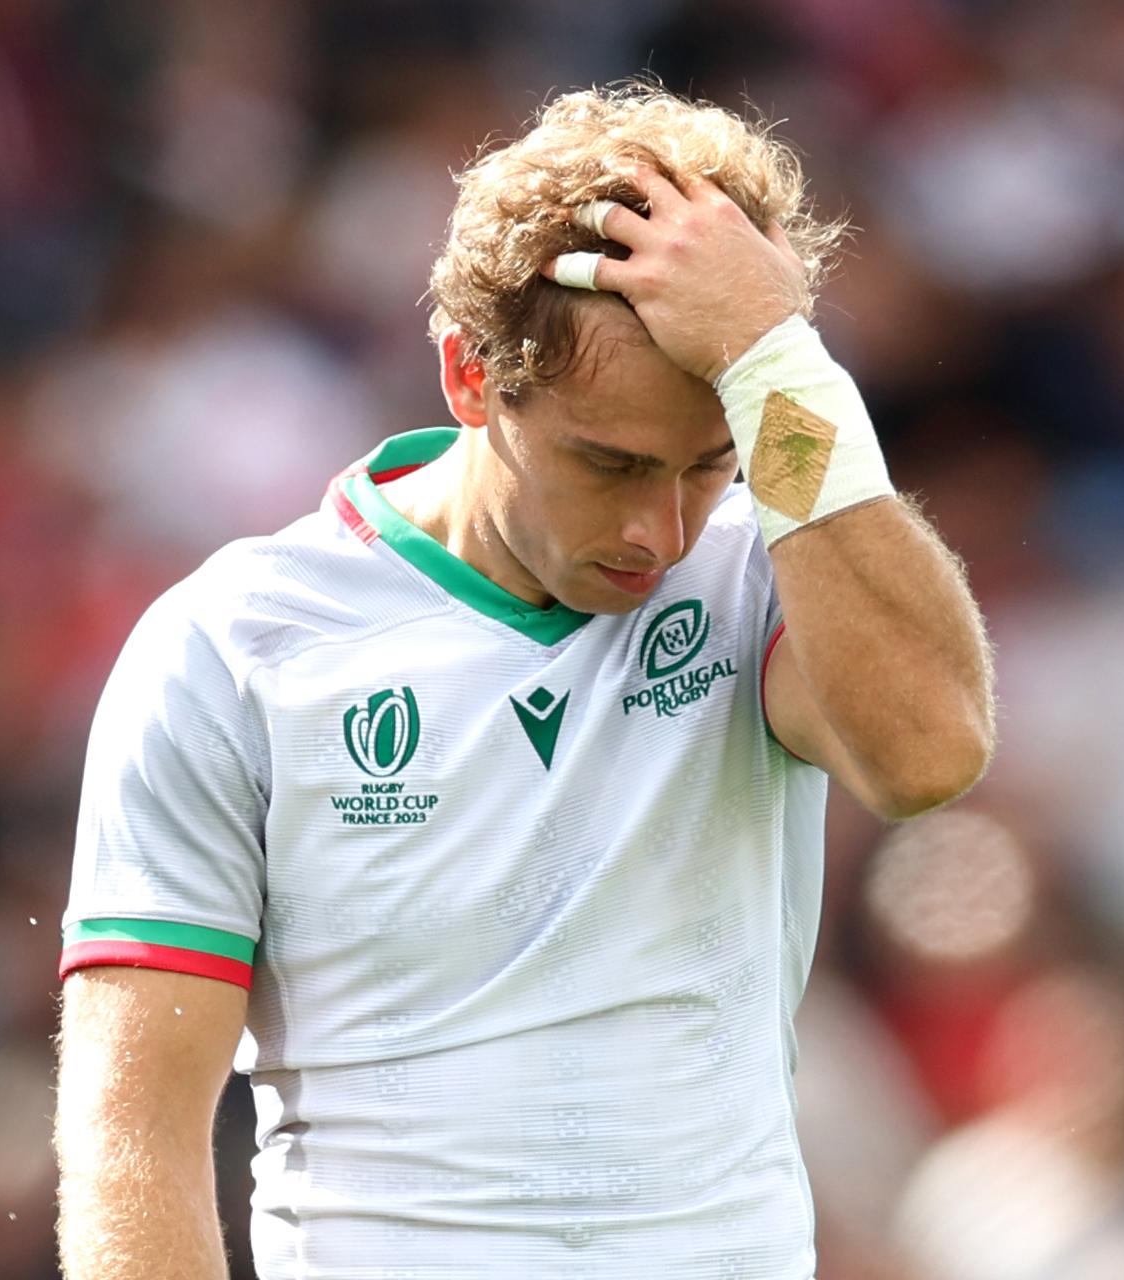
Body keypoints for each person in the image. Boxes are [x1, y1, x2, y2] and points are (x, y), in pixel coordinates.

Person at [53, 86, 995, 1280]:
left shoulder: (771, 571)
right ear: (469, 375)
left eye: (711, 464)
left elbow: (931, 750)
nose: (662, 529)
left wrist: (778, 361)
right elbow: (134, 1135)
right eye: (610, 462)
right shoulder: (234, 645)